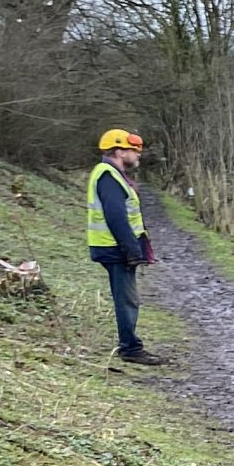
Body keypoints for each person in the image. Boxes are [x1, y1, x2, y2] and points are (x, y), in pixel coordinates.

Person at [87, 129, 159, 365]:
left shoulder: (110, 174)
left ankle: (130, 345)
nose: (138, 155)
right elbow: (116, 217)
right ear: (119, 151)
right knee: (127, 299)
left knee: (126, 297)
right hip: (115, 248)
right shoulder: (109, 176)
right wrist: (131, 249)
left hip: (113, 247)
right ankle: (130, 348)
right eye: (133, 151)